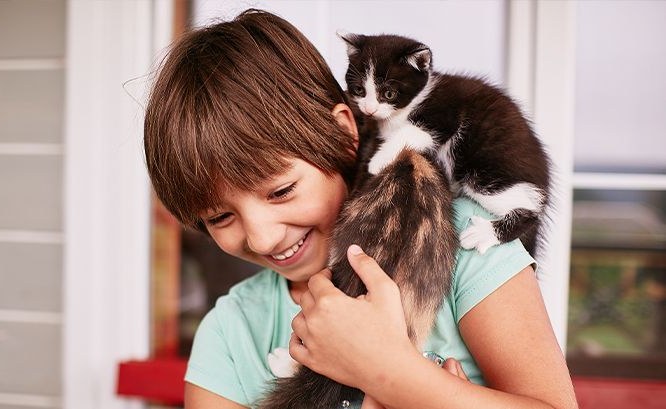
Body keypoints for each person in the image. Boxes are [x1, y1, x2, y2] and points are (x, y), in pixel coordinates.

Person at [143, 9, 578, 409]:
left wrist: (389, 372)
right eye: (220, 216)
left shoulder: (465, 239)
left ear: (344, 131)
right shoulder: (230, 331)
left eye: (280, 191)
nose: (261, 236)